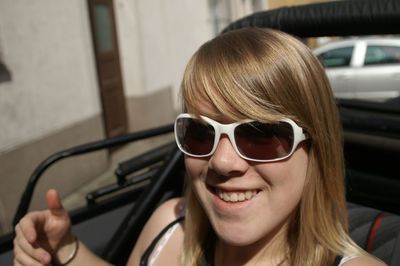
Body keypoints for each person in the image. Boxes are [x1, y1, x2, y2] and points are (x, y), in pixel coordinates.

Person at [13, 28, 386, 266]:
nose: (221, 161)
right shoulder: (170, 227)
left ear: (315, 147)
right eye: (200, 133)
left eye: (260, 134)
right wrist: (67, 250)